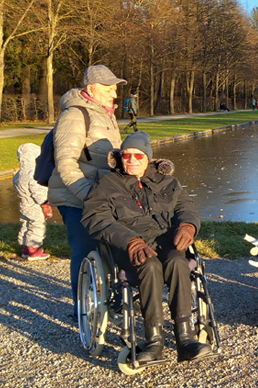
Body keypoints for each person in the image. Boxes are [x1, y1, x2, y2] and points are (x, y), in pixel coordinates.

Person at [81, 131, 212, 363]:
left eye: (138, 156)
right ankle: (154, 341)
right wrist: (130, 241)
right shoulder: (107, 184)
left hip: (166, 240)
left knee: (177, 260)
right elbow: (96, 219)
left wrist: (188, 226)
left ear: (148, 158)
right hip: (130, 244)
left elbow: (186, 207)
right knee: (150, 265)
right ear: (120, 157)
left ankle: (186, 338)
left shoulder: (169, 182)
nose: (131, 160)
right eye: (126, 155)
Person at [48, 64, 125, 317]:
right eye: (109, 88)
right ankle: (83, 309)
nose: (114, 94)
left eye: (115, 89)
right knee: (84, 251)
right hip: (76, 196)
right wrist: (90, 196)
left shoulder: (106, 114)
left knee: (107, 248)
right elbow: (66, 162)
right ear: (90, 88)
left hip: (102, 196)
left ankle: (104, 299)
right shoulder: (74, 115)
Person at [13, 143, 54, 261]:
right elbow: (37, 190)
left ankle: (25, 248)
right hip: (34, 205)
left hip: (24, 203)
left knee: (26, 224)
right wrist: (45, 202)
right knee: (36, 225)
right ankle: (33, 250)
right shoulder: (33, 174)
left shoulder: (19, 174)